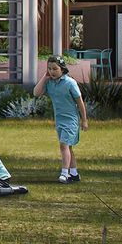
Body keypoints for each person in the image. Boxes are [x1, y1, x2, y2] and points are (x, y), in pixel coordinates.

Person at [35, 55, 88, 184]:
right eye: (49, 69)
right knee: (68, 147)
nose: (52, 71)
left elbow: (80, 102)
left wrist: (84, 120)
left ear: (62, 69)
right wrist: (44, 77)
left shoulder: (70, 83)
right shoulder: (50, 84)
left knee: (63, 145)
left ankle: (64, 173)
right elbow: (36, 93)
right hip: (59, 120)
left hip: (71, 120)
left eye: (55, 69)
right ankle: (74, 173)